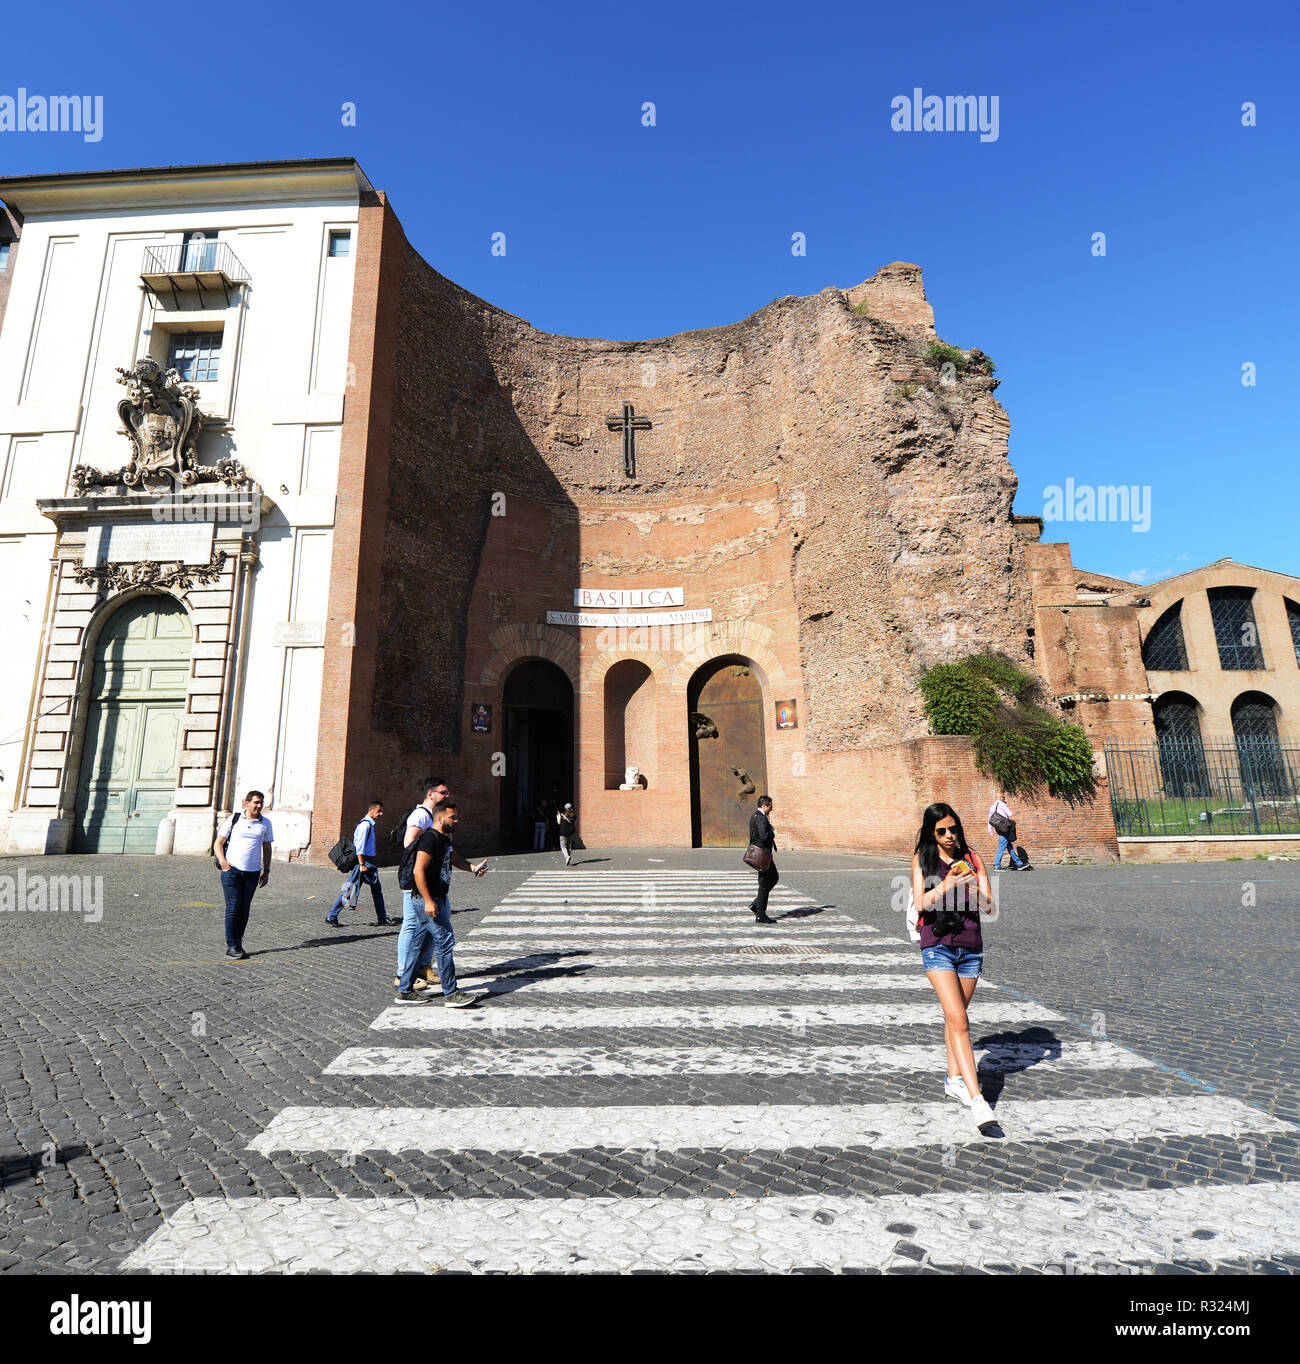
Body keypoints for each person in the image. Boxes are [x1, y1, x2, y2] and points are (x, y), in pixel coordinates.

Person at [911, 802, 1000, 1131]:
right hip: (938, 947)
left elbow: (990, 909)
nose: (949, 836)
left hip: (971, 947)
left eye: (953, 829)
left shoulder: (973, 859)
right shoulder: (923, 859)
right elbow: (920, 902)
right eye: (941, 831)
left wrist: (977, 892)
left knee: (954, 1017)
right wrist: (946, 886)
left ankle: (953, 1080)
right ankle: (978, 1100)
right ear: (931, 833)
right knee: (960, 1019)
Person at [395, 799, 486, 1007]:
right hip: (427, 899)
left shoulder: (444, 839)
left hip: (434, 897)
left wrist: (473, 868)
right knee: (445, 940)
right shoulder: (429, 839)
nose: (456, 820)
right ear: (439, 818)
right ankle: (451, 993)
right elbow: (418, 870)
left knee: (417, 945)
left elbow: (454, 859)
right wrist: (428, 900)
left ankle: (404, 990)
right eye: (452, 817)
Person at [394, 778, 448, 993]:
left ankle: (423, 967)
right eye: (443, 792)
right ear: (430, 794)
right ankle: (402, 974)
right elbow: (409, 844)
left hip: (430, 879)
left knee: (428, 925)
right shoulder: (419, 815)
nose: (447, 795)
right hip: (415, 878)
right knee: (410, 925)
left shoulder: (431, 816)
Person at [213, 790, 273, 960]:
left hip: (253, 873)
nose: (259, 806)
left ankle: (238, 942)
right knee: (233, 906)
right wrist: (223, 863)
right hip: (232, 871)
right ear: (247, 803)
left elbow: (267, 847)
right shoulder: (234, 819)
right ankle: (231, 945)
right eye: (256, 802)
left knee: (244, 908)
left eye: (261, 802)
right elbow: (218, 842)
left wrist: (266, 870)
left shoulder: (265, 823)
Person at [327, 799, 395, 927]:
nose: (381, 814)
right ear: (371, 810)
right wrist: (362, 864)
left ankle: (382, 917)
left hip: (368, 862)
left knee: (374, 890)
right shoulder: (366, 825)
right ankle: (332, 915)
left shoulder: (368, 825)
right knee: (350, 890)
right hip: (365, 862)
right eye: (379, 811)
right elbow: (360, 847)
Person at [746, 795, 779, 925]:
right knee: (765, 883)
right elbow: (764, 836)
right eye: (770, 807)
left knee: (773, 878)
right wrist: (771, 831)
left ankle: (756, 905)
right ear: (764, 805)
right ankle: (760, 914)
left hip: (760, 855)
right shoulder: (761, 818)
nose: (771, 809)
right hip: (763, 855)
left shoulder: (754, 816)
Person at [987, 793, 1031, 871]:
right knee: (1002, 846)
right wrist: (1005, 806)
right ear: (1000, 798)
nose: (1005, 798)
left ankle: (1019, 864)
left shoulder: (992, 806)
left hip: (998, 829)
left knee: (1009, 846)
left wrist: (990, 831)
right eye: (1003, 797)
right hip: (1005, 828)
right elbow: (1010, 814)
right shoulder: (1002, 805)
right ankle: (997, 865)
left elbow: (990, 820)